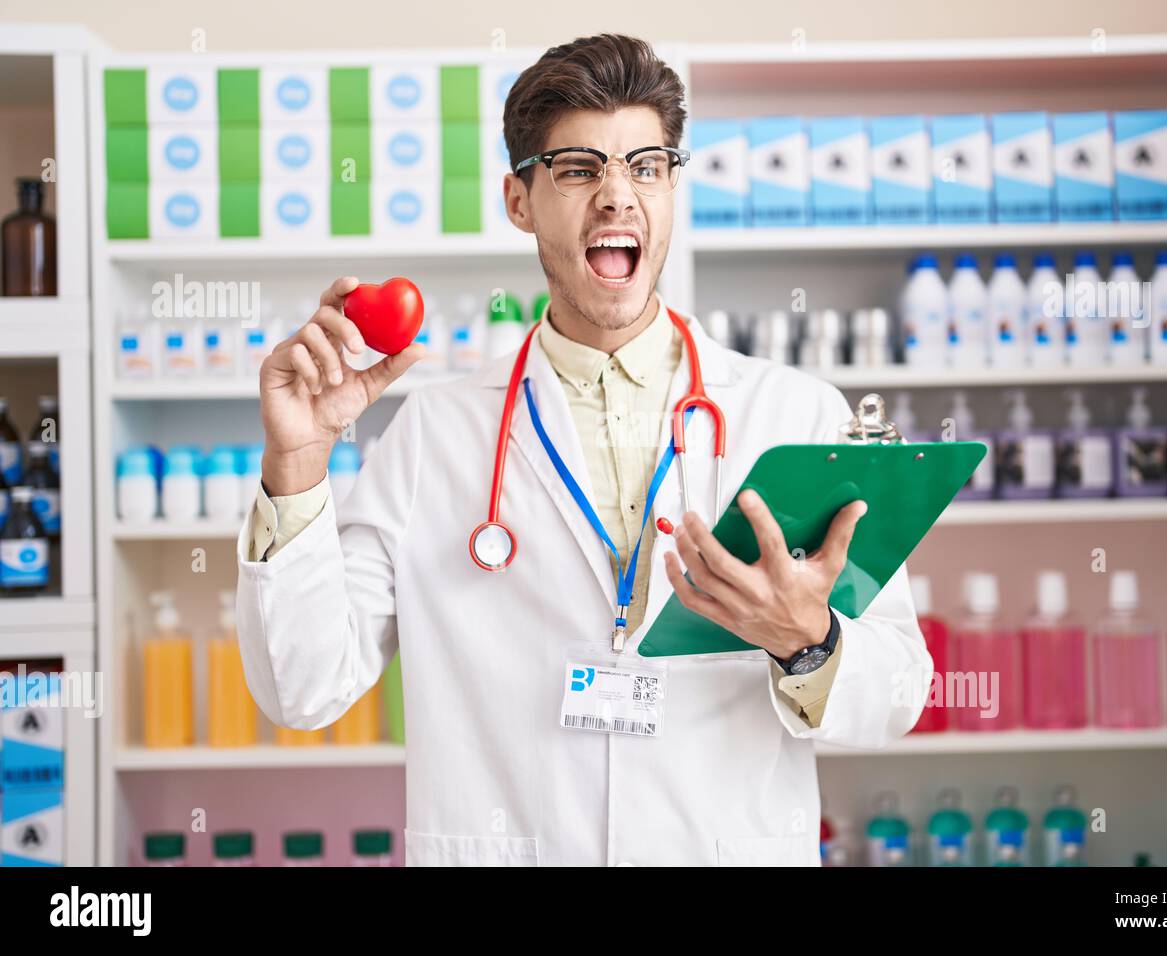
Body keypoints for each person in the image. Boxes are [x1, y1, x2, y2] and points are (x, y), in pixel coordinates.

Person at [236, 33, 930, 866]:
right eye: (577, 168)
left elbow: (897, 693)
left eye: (645, 165)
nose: (617, 196)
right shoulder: (434, 434)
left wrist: (806, 639)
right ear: (519, 200)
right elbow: (301, 690)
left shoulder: (794, 415)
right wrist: (299, 466)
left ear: (673, 186)